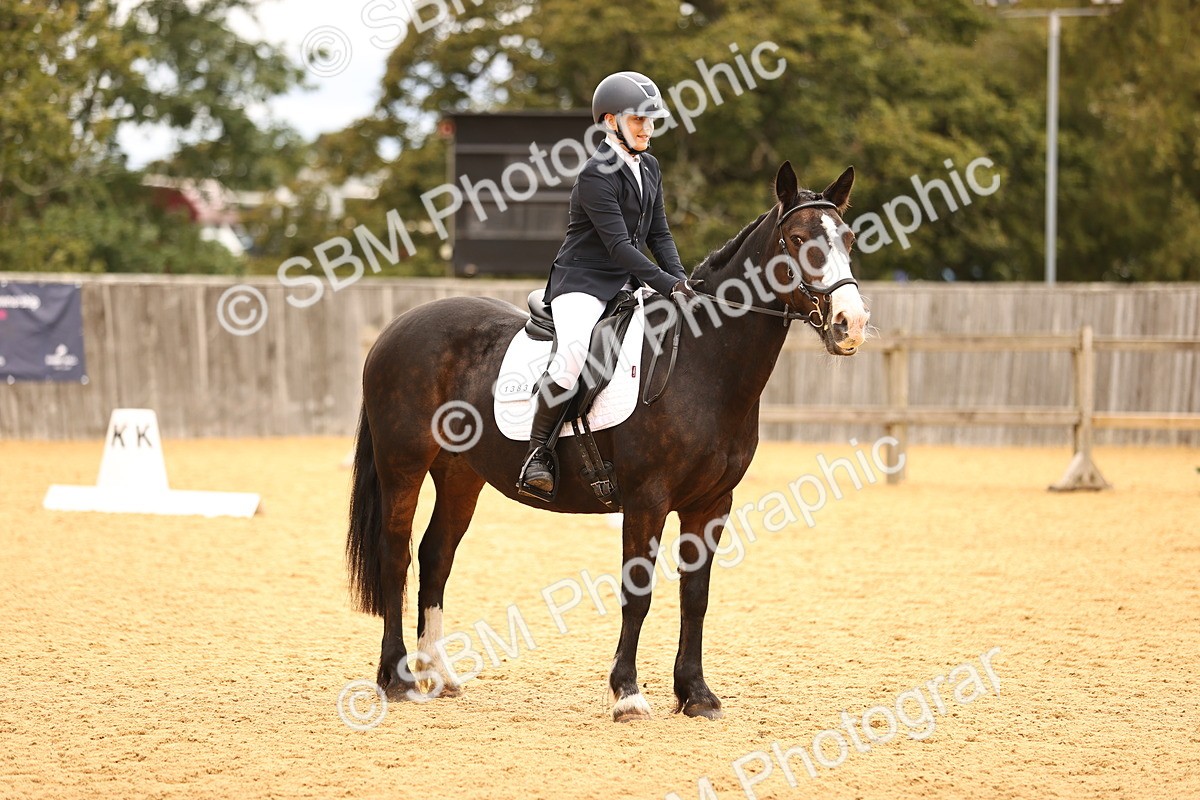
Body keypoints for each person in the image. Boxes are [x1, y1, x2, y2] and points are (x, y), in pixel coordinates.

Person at [518, 70, 700, 499]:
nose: (647, 128)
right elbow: (618, 245)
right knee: (574, 353)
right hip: (582, 281)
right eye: (638, 120)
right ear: (609, 121)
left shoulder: (650, 166)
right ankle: (537, 453)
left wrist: (681, 280)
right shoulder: (596, 174)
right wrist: (665, 284)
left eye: (651, 120)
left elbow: (659, 235)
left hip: (625, 281)